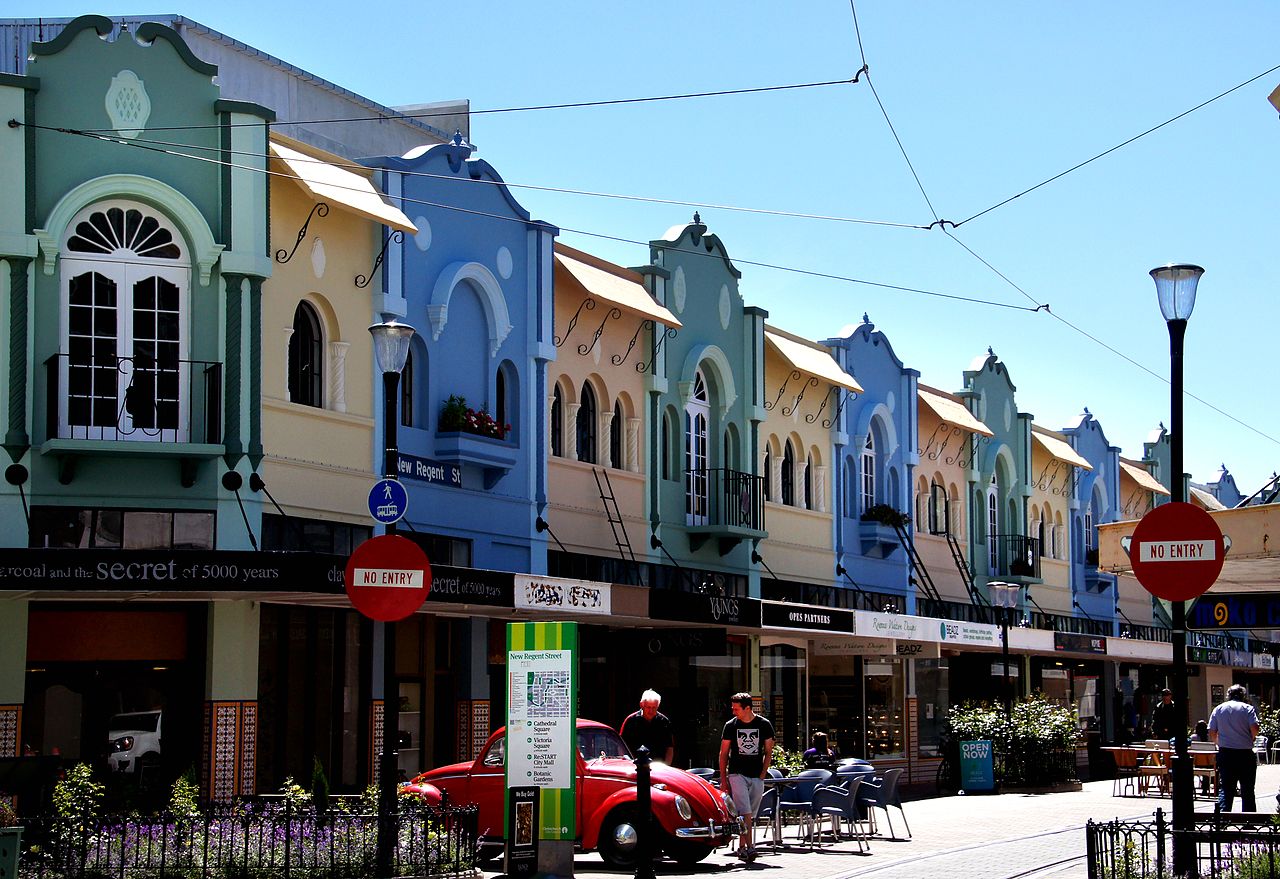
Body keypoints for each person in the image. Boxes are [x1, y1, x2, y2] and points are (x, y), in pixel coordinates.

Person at [719, 693, 774, 863]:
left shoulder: (764, 725)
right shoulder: (730, 725)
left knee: (749, 814)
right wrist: (723, 778)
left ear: (747, 708)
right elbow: (723, 753)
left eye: (736, 709)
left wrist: (763, 775)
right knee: (745, 811)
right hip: (737, 773)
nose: (734, 712)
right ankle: (750, 847)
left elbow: (768, 751)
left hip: (756, 775)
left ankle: (742, 848)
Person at [1209, 683, 1260, 812]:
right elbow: (1255, 728)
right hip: (1245, 753)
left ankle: (1222, 819)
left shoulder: (1218, 709)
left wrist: (1219, 743)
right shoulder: (1248, 708)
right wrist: (1251, 738)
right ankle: (1249, 821)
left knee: (1226, 788)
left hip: (1226, 753)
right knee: (1247, 788)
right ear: (1242, 695)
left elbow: (1212, 731)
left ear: (1228, 695)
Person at [619, 689, 674, 765]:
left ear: (658, 706)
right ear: (641, 705)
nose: (651, 711)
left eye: (654, 707)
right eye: (648, 707)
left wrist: (667, 766)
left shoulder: (664, 722)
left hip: (658, 767)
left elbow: (669, 748)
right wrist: (628, 764)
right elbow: (621, 746)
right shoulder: (630, 721)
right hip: (635, 766)